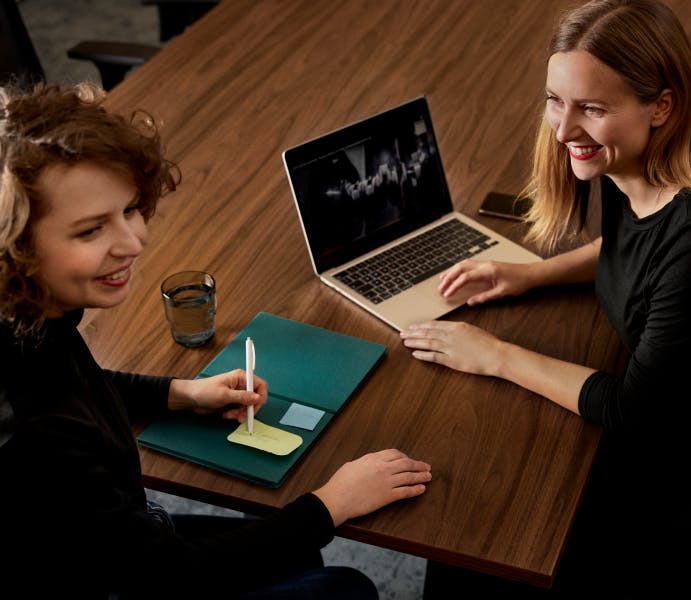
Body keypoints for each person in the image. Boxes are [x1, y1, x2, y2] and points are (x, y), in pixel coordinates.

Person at [0, 81, 432, 600]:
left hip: (106, 539)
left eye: (131, 209)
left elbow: (77, 387)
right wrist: (334, 501)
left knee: (299, 551)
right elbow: (176, 575)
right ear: (14, 239)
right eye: (91, 231)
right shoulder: (35, 432)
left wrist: (183, 393)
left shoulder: (30, 319)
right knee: (345, 586)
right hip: (118, 578)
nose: (133, 242)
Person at [401, 0, 691, 595]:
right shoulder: (632, 166)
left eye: (591, 108)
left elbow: (631, 410)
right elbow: (631, 252)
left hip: (671, 477)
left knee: (480, 535)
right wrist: (528, 275)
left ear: (661, 106)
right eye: (555, 100)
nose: (563, 131)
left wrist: (496, 356)